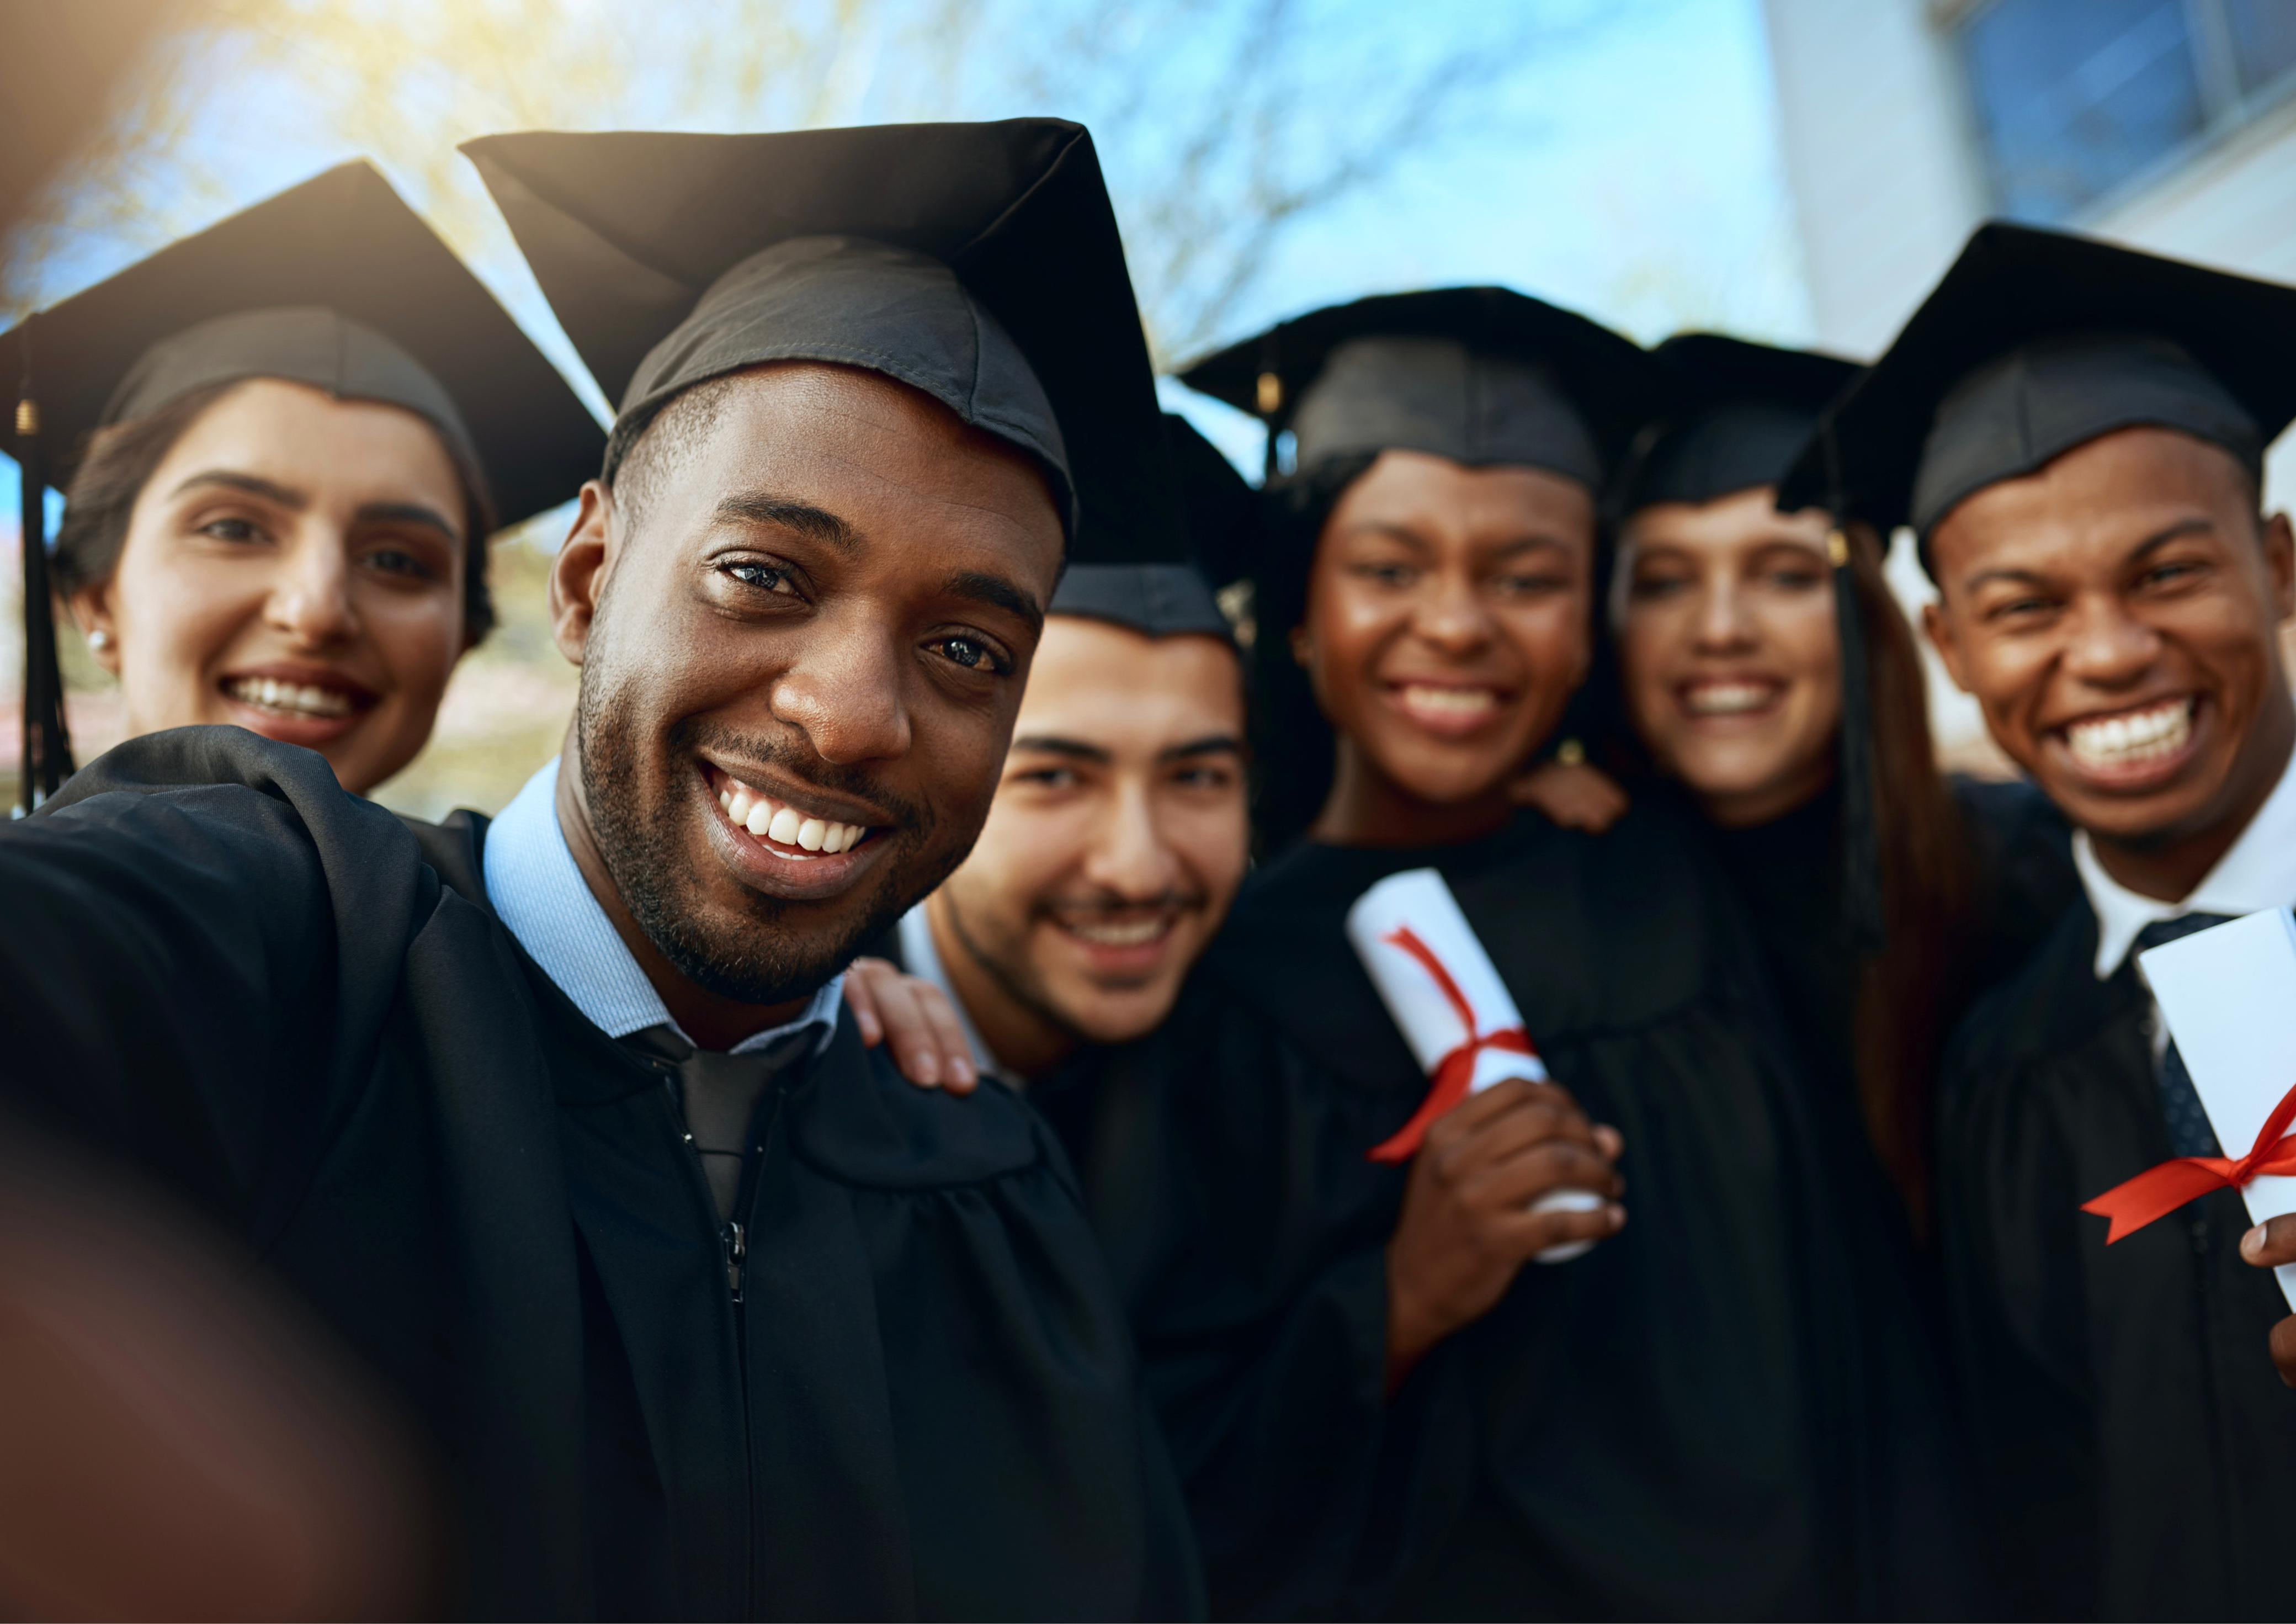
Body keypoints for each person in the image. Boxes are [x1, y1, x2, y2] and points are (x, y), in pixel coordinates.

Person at [0, 118, 1200, 1619]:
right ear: (585, 580)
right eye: (762, 574)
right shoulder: (274, 932)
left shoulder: (990, 1183)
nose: (852, 713)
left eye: (968, 648)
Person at [1119, 288, 1970, 1618]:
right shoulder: (1216, 988)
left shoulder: (1675, 868)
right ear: (1299, 613)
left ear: (1587, 629)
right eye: (1388, 570)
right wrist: (1396, 1301)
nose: (1457, 625)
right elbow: (1167, 1480)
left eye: (1527, 577)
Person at [1787, 220, 2296, 1619]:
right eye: (2021, 607)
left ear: (2280, 566)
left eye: (2169, 573)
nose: (2109, 652)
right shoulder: (2000, 1067)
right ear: (1951, 649)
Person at [1519, 332, 2075, 1227]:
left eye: (1783, 575)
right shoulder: (1573, 905)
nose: (1721, 628)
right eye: (1664, 583)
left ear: (1867, 619)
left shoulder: (2033, 872)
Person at [2, 160, 603, 806]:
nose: (315, 611)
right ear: (96, 598)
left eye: (397, 559)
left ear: (463, 635)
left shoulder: (502, 911)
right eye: (233, 528)